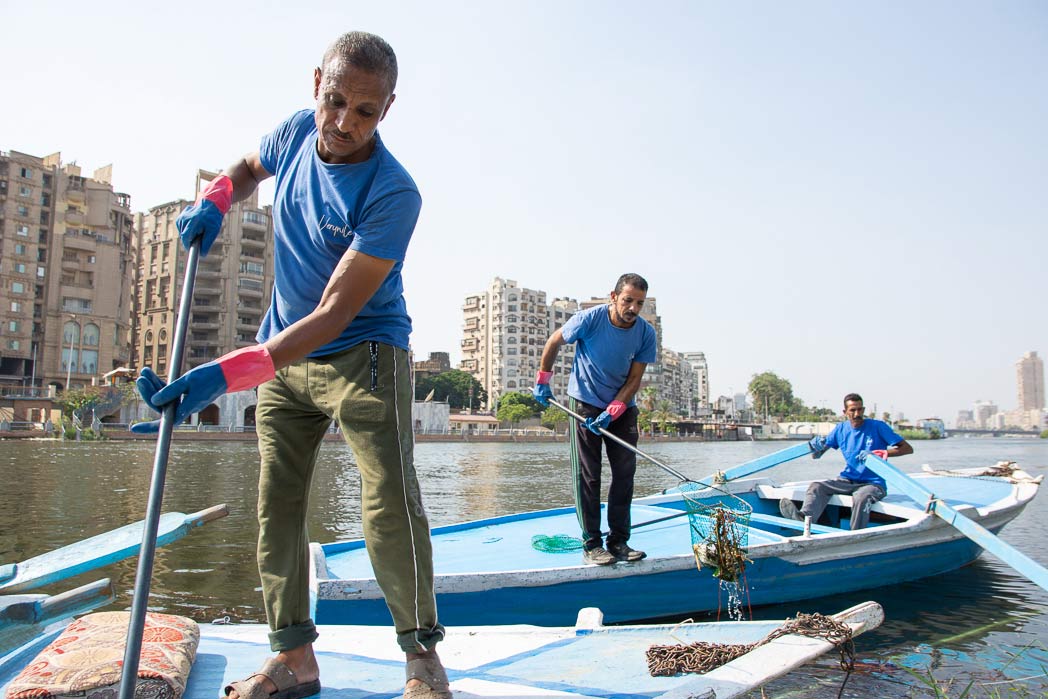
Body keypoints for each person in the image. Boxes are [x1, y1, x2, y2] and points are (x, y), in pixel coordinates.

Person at [132, 32, 450, 699]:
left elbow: (335, 311)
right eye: (334, 101)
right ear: (315, 84)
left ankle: (422, 661)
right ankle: (294, 658)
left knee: (387, 501)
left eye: (364, 111)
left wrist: (222, 376)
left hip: (362, 354)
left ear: (387, 111)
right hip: (280, 356)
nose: (343, 123)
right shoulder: (292, 134)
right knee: (276, 503)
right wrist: (218, 198)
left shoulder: (396, 193)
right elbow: (251, 165)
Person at [532, 274, 657, 566]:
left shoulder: (645, 333)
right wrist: (543, 380)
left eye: (639, 303)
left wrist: (613, 410)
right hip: (585, 403)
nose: (633, 308)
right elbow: (553, 342)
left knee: (624, 474)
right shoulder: (589, 319)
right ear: (613, 297)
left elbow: (634, 379)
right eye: (628, 300)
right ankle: (592, 544)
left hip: (622, 407)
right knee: (589, 476)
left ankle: (619, 542)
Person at [780, 393, 913, 531]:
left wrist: (882, 453)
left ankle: (855, 534)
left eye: (860, 409)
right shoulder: (841, 429)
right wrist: (816, 446)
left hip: (873, 483)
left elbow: (907, 449)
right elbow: (817, 455)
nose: (857, 414)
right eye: (852, 410)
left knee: (861, 497)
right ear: (845, 412)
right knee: (816, 487)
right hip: (848, 480)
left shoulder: (878, 426)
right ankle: (804, 519)